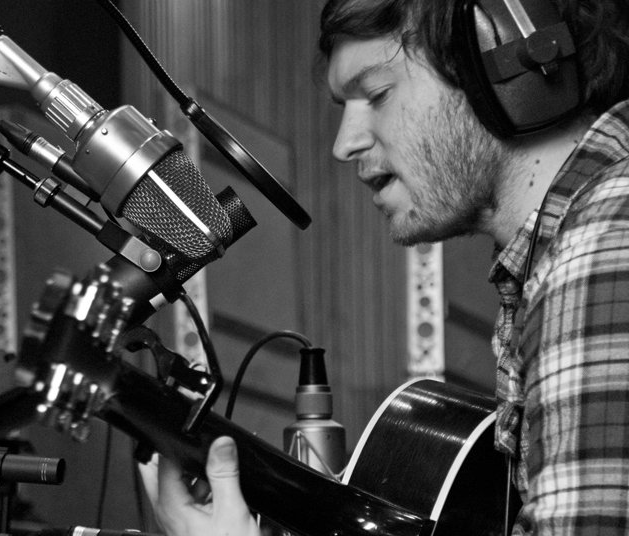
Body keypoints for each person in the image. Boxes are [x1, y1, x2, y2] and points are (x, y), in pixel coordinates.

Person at [139, 0, 629, 534]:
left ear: (505, 61)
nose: (343, 144)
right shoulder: (559, 254)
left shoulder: (602, 239)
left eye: (377, 94)